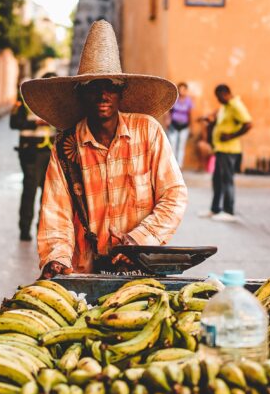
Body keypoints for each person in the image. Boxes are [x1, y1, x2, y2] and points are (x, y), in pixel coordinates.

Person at [21, 20, 187, 277]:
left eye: (110, 86)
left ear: (121, 92)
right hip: (85, 270)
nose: (102, 95)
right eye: (93, 87)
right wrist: (56, 257)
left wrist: (138, 239)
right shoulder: (67, 145)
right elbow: (57, 212)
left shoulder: (148, 131)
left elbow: (174, 195)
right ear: (80, 94)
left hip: (142, 265)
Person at [11, 74, 56, 241]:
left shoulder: (57, 104)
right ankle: (25, 229)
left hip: (50, 153)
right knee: (30, 190)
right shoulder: (25, 100)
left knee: (48, 194)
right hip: (30, 152)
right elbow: (14, 123)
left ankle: (42, 230)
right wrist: (35, 123)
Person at [198, 84, 252, 221]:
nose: (218, 100)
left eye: (219, 97)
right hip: (220, 149)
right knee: (217, 180)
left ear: (225, 93)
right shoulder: (225, 106)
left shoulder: (236, 106)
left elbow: (248, 124)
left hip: (230, 150)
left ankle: (229, 211)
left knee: (227, 180)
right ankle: (215, 209)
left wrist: (231, 136)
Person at [166, 82, 193, 167]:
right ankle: (172, 165)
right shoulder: (174, 99)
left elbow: (190, 114)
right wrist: (167, 121)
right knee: (172, 144)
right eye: (180, 89)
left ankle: (179, 166)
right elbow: (169, 112)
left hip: (184, 126)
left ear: (186, 90)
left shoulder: (189, 101)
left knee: (181, 146)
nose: (181, 91)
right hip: (173, 125)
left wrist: (191, 127)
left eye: (183, 89)